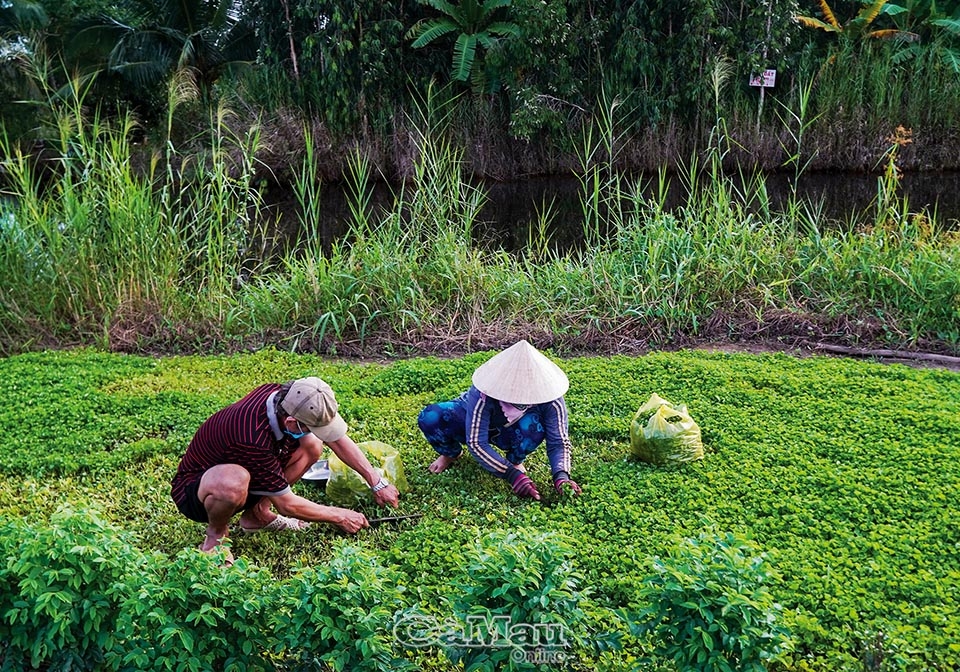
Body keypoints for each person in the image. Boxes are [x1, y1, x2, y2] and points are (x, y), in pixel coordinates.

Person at [171, 376, 400, 563]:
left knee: (312, 444)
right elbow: (287, 505)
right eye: (312, 426)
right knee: (232, 481)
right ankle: (216, 537)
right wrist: (340, 515)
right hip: (198, 490)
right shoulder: (252, 438)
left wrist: (376, 482)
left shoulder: (286, 396)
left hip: (251, 467)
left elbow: (336, 440)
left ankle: (257, 514)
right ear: (291, 422)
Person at [418, 340, 582, 501]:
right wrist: (512, 476)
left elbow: (558, 441)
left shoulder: (551, 399)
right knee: (431, 417)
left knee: (534, 429)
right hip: (471, 421)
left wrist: (562, 476)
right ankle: (450, 454)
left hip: (513, 430)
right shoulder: (483, 393)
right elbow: (476, 442)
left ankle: (514, 460)